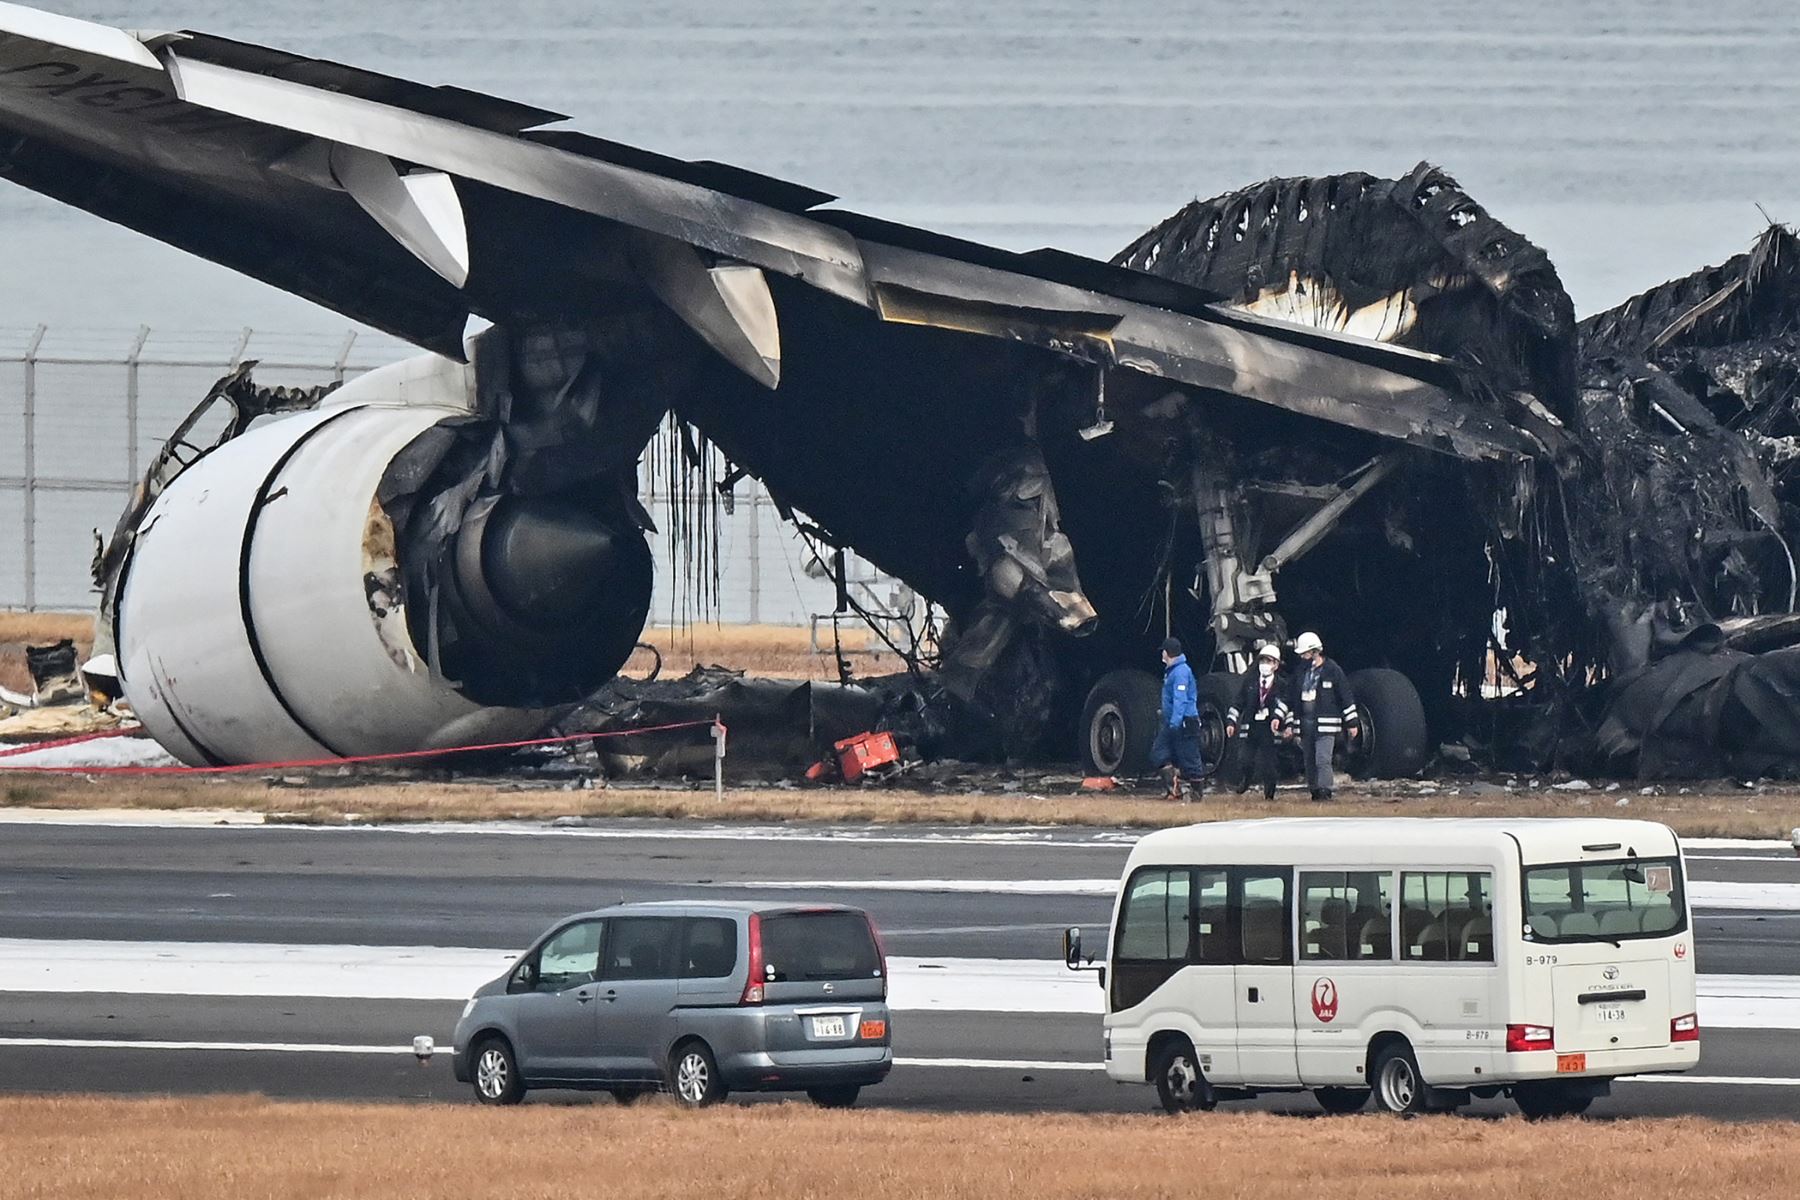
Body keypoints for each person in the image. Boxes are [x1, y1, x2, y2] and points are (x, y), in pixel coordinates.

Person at [1291, 631, 1359, 802]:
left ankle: (1325, 791)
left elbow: (1345, 697)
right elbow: (1290, 696)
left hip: (1326, 725)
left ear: (1315, 652)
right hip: (1305, 724)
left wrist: (1352, 722)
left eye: (1305, 653)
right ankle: (1314, 790)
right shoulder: (1300, 672)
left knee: (1323, 759)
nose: (1303, 657)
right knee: (1309, 760)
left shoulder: (1333, 671)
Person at [1227, 642, 1290, 800]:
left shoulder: (1282, 685)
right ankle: (1245, 780)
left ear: (1276, 664)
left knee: (1269, 764)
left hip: (1270, 728)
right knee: (1244, 759)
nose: (1264, 665)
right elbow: (1238, 702)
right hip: (1252, 725)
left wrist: (1288, 725)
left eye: (1268, 661)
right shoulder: (1250, 682)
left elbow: (1288, 706)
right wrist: (1231, 722)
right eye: (1262, 660)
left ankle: (1269, 794)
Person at [1151, 636, 1205, 801]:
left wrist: (1175, 722)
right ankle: (1174, 790)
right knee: (1158, 753)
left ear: (1168, 653)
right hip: (1172, 722)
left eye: (1163, 652)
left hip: (1183, 722)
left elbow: (1180, 699)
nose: (1162, 655)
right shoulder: (1172, 671)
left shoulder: (1181, 672)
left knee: (1190, 759)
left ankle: (1197, 794)